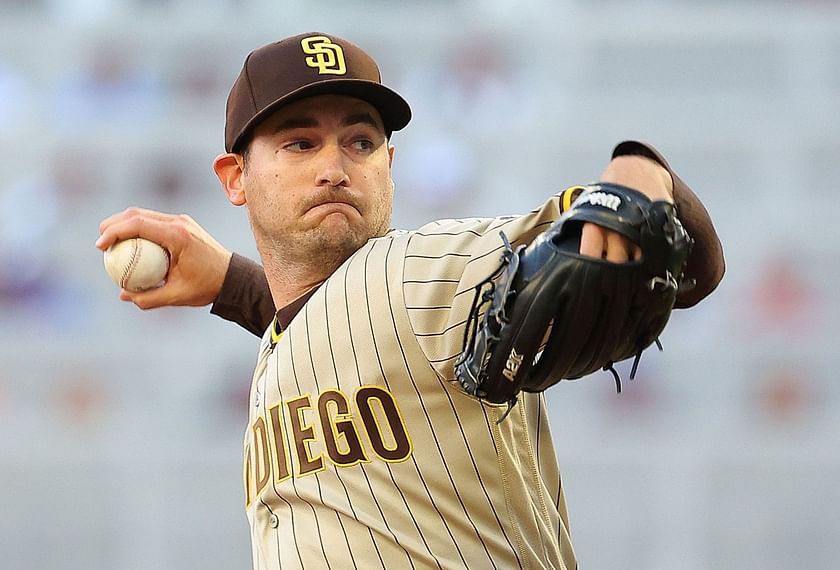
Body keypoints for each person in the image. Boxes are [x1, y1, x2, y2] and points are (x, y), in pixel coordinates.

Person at [97, 32, 724, 570]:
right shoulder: (295, 331)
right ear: (235, 177)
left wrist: (644, 173)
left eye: (361, 142)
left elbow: (675, 256)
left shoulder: (424, 266)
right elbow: (337, 328)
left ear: (390, 164)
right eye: (300, 143)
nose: (335, 167)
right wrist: (235, 286)